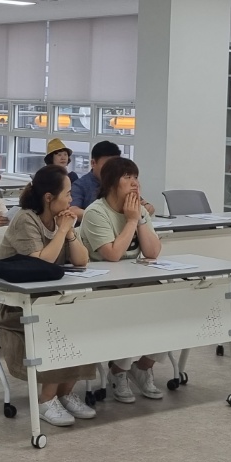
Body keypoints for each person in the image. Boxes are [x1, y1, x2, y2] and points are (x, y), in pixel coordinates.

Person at [0, 164, 93, 427]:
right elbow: (42, 263)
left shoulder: (61, 219)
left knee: (87, 318)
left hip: (51, 298)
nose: (71, 200)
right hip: (18, 304)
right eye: (67, 194)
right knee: (61, 324)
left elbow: (82, 260)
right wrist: (62, 230)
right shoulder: (25, 219)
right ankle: (46, 399)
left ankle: (65, 392)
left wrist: (69, 231)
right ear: (49, 197)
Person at [78, 156, 165, 403]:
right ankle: (118, 371)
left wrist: (139, 218)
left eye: (136, 177)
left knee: (170, 305)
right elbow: (113, 254)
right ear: (111, 183)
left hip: (131, 283)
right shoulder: (96, 212)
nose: (135, 183)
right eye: (127, 177)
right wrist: (131, 220)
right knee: (135, 309)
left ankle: (143, 367)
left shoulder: (137, 209)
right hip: (101, 288)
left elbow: (152, 252)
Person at [71, 140, 120, 210]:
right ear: (93, 163)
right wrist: (97, 215)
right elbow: (73, 210)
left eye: (114, 165)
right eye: (106, 165)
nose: (111, 169)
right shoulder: (80, 185)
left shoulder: (121, 183)